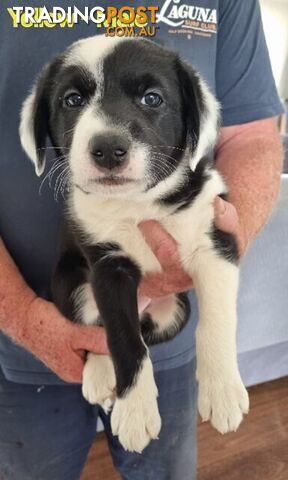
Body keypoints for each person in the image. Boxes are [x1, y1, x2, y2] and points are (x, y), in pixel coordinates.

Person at [0, 1, 284, 479]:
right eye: (73, 101)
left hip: (170, 347)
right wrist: (23, 317)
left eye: (151, 98)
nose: (109, 139)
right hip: (22, 339)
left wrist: (214, 243)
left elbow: (253, 136)